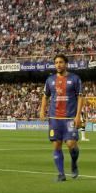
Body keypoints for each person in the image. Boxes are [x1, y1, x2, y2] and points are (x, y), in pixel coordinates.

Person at [39, 54, 83, 182]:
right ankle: (61, 174)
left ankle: (74, 163)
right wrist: (42, 110)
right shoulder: (50, 80)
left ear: (66, 64)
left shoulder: (75, 79)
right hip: (54, 118)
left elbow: (80, 97)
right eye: (56, 62)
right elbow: (45, 96)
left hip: (69, 118)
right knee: (57, 145)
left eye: (61, 62)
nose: (58, 64)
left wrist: (78, 116)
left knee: (71, 144)